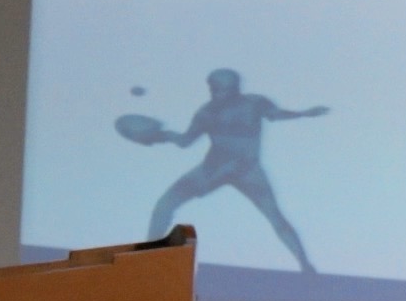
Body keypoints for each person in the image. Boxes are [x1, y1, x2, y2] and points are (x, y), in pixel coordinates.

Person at [139, 67, 327, 271]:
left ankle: (305, 264)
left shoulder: (254, 103)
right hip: (213, 169)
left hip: (247, 171)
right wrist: (161, 136)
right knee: (165, 204)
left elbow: (276, 114)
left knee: (275, 216)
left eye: (225, 89)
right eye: (215, 89)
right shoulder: (206, 113)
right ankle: (148, 258)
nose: (219, 93)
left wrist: (303, 113)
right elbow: (186, 140)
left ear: (236, 88)